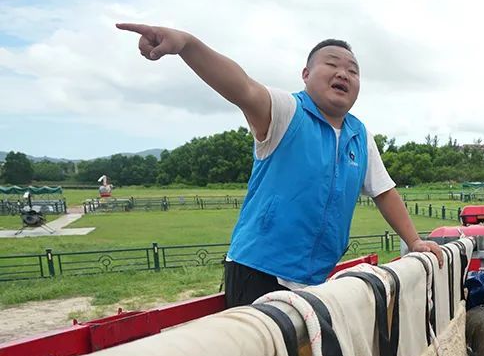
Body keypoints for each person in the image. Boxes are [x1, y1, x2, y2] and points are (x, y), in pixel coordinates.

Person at [117, 23, 443, 307]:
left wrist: (414, 242)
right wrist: (187, 44)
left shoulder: (359, 135)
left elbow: (384, 192)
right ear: (306, 74)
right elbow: (242, 87)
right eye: (332, 64)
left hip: (316, 275)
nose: (344, 73)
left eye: (353, 70)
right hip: (259, 271)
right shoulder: (287, 112)